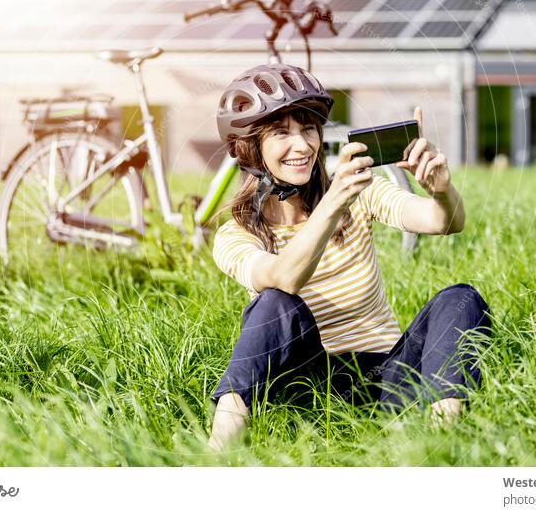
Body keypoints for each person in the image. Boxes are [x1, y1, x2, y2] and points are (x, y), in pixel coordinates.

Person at [207, 63, 491, 451]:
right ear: (250, 148)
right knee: (274, 300)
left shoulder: (361, 191)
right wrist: (334, 201)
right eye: (281, 134)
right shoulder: (234, 234)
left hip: (388, 373)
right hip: (311, 389)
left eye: (308, 129)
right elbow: (284, 278)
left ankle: (443, 442)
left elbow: (443, 222)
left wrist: (441, 191)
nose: (303, 146)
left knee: (460, 298)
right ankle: (218, 452)